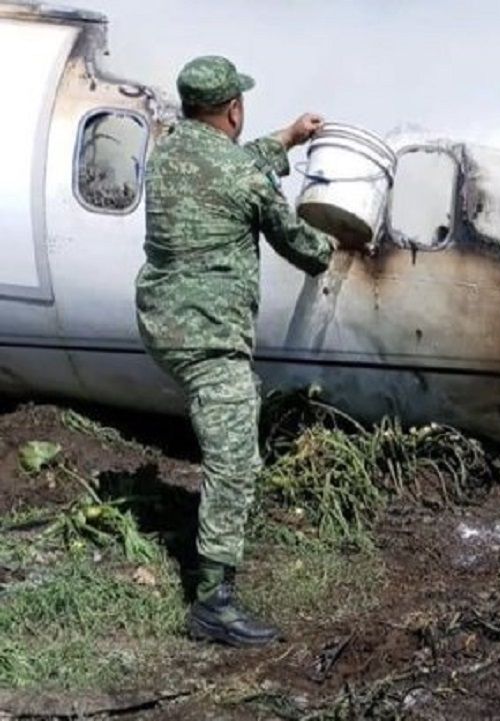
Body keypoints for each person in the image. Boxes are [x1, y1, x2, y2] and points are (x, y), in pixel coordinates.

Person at [135, 55, 338, 647]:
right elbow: (302, 247)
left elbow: (234, 164)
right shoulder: (244, 179)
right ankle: (212, 604)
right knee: (235, 465)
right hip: (208, 337)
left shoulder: (169, 151)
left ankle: (213, 577)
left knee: (229, 434)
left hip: (161, 321)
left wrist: (289, 136)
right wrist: (336, 245)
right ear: (233, 109)